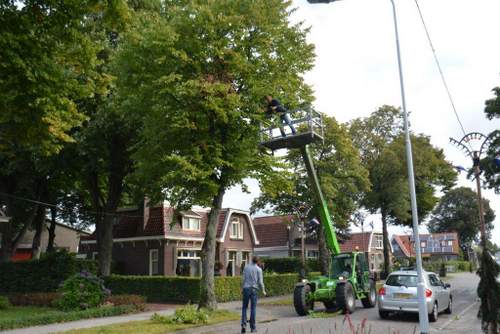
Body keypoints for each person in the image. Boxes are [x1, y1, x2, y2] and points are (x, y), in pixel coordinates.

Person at [241, 256, 267, 333]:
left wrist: (242, 288)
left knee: (244, 307)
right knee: (253, 308)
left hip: (246, 289)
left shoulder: (246, 267)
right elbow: (260, 282)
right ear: (258, 262)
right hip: (254, 290)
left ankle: (243, 324)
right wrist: (263, 291)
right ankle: (253, 328)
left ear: (252, 260)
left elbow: (243, 279)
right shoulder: (259, 270)